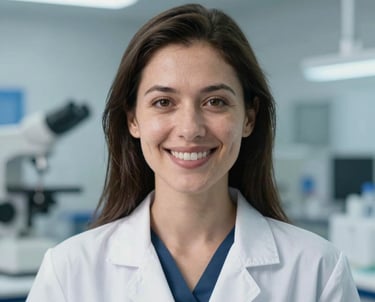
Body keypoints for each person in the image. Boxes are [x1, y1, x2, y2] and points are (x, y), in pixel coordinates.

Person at [26, 4, 360, 302]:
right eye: (163, 102)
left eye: (215, 102)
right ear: (133, 119)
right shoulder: (69, 272)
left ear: (249, 118)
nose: (190, 128)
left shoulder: (317, 271)